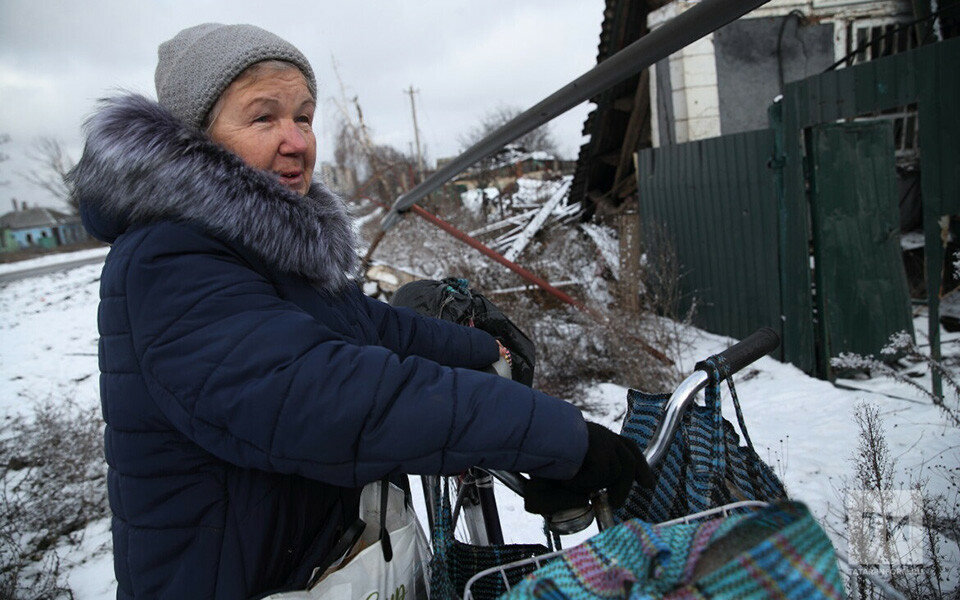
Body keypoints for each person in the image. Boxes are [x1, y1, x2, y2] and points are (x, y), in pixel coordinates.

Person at [68, 23, 653, 599]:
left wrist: (480, 347)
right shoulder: (169, 257)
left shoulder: (269, 244)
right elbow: (324, 395)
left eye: (302, 116)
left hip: (316, 567)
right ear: (196, 137)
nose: (296, 140)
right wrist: (555, 437)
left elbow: (368, 325)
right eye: (263, 116)